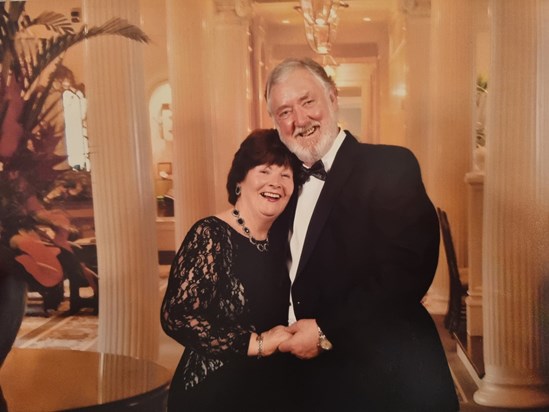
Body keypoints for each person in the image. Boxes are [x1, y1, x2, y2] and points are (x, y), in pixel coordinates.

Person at [265, 57, 460, 411]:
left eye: (308, 102)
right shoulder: (281, 181)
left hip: (381, 378)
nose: (300, 120)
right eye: (284, 112)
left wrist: (326, 331)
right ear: (276, 124)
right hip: (301, 381)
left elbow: (407, 272)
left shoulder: (390, 165)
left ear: (333, 98)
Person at [160, 128, 300, 412]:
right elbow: (176, 316)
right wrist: (256, 343)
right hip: (215, 392)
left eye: (286, 175)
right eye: (265, 171)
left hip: (271, 389)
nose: (276, 183)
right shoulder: (210, 234)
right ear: (240, 180)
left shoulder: (286, 240)